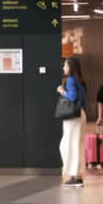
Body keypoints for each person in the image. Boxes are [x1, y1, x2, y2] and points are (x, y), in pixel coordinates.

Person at [57, 57, 87, 187]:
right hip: (80, 114)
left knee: (68, 146)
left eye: (65, 66)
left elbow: (72, 97)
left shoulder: (70, 80)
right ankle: (77, 175)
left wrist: (62, 91)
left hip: (73, 117)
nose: (64, 68)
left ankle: (76, 177)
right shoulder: (80, 81)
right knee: (73, 145)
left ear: (71, 67)